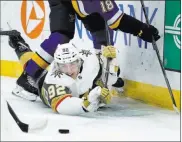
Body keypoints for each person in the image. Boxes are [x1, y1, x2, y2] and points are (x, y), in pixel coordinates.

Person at [9, 0, 160, 100]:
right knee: (61, 35)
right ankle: (27, 78)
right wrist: (141, 29)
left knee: (102, 27)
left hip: (83, 4)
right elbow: (117, 21)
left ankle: (103, 74)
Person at [12, 38, 123, 115]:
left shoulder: (90, 59)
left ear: (79, 61)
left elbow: (111, 70)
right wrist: (84, 104)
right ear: (57, 65)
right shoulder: (53, 81)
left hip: (82, 88)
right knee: (31, 67)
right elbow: (62, 106)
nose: (69, 71)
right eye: (63, 66)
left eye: (73, 64)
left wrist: (111, 58)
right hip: (42, 86)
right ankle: (19, 44)